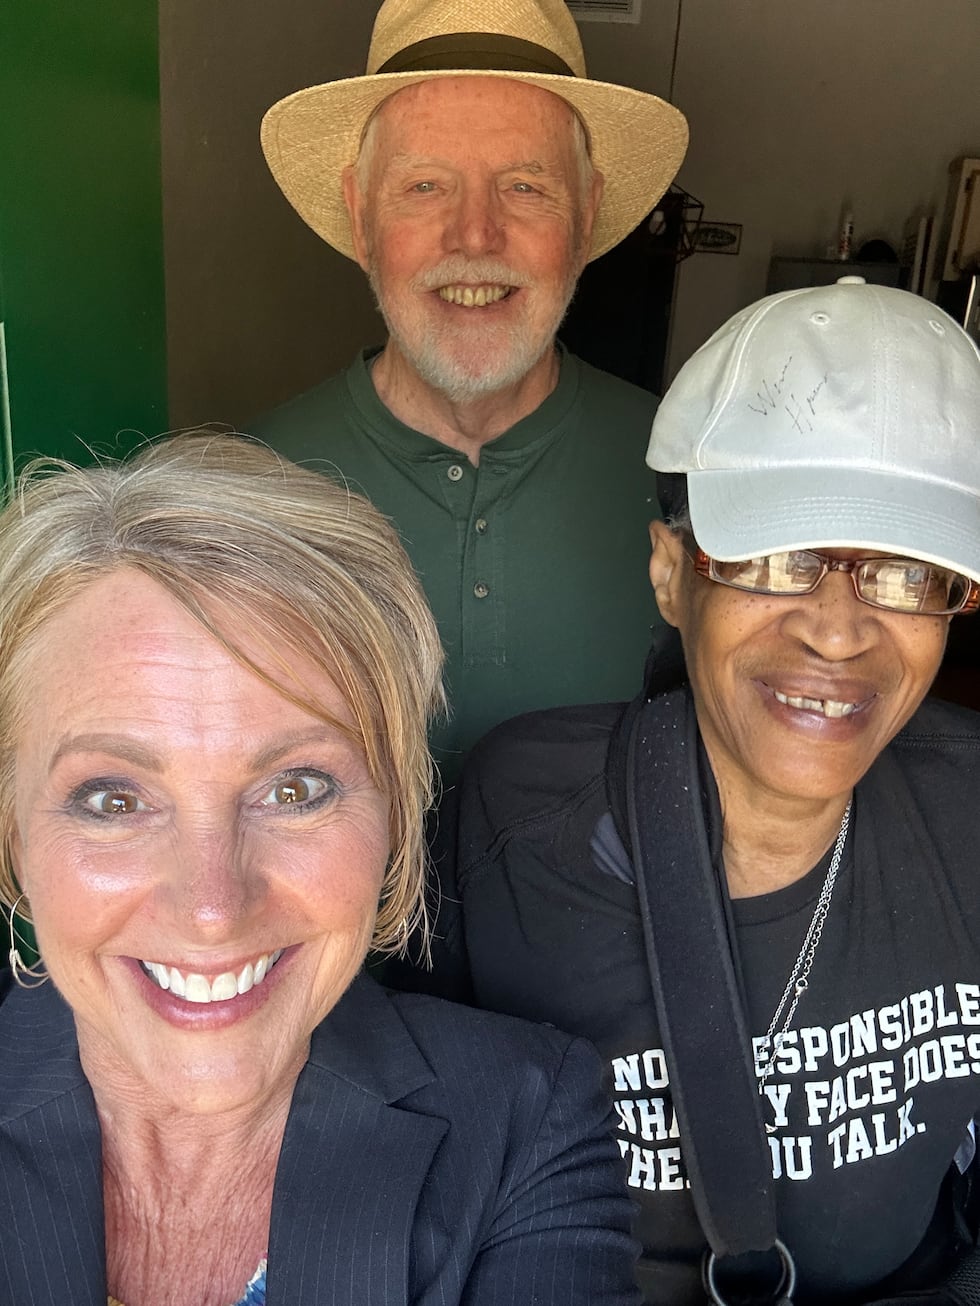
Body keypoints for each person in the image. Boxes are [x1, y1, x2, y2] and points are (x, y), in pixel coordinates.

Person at [0, 432, 641, 1306]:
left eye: (295, 788)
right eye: (113, 800)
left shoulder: (525, 1121)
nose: (213, 910)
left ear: (393, 813)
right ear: (11, 833)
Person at [441, 280, 980, 1303]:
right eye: (776, 557)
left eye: (906, 572)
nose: (836, 627)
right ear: (667, 572)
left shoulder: (964, 809)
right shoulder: (514, 821)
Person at [253, 0, 689, 780]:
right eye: (424, 187)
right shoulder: (245, 488)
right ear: (360, 217)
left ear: (585, 217)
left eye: (525, 187)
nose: (475, 235)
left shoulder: (687, 472)